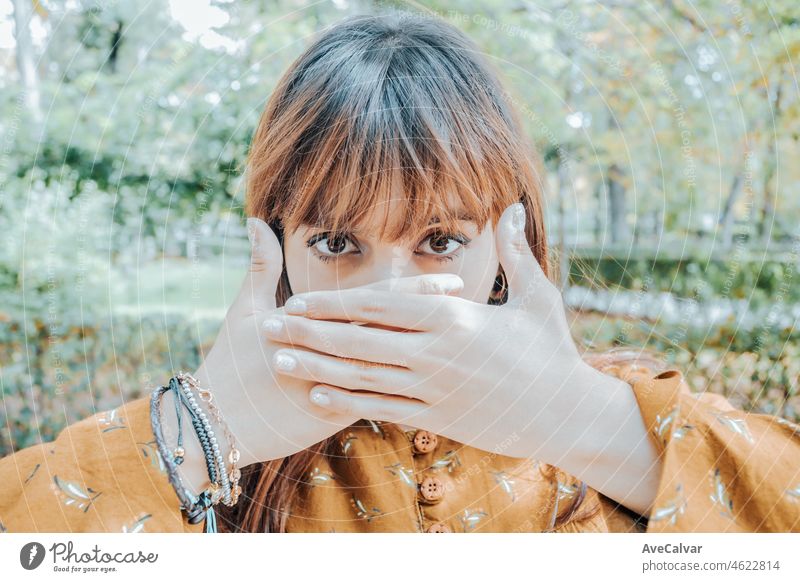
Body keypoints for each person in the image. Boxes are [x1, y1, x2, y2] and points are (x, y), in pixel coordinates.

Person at [1, 12, 799, 535]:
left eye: (440, 241)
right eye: (340, 244)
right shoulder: (224, 432)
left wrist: (581, 420)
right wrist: (202, 439)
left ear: (509, 241)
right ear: (275, 252)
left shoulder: (622, 411)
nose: (390, 296)